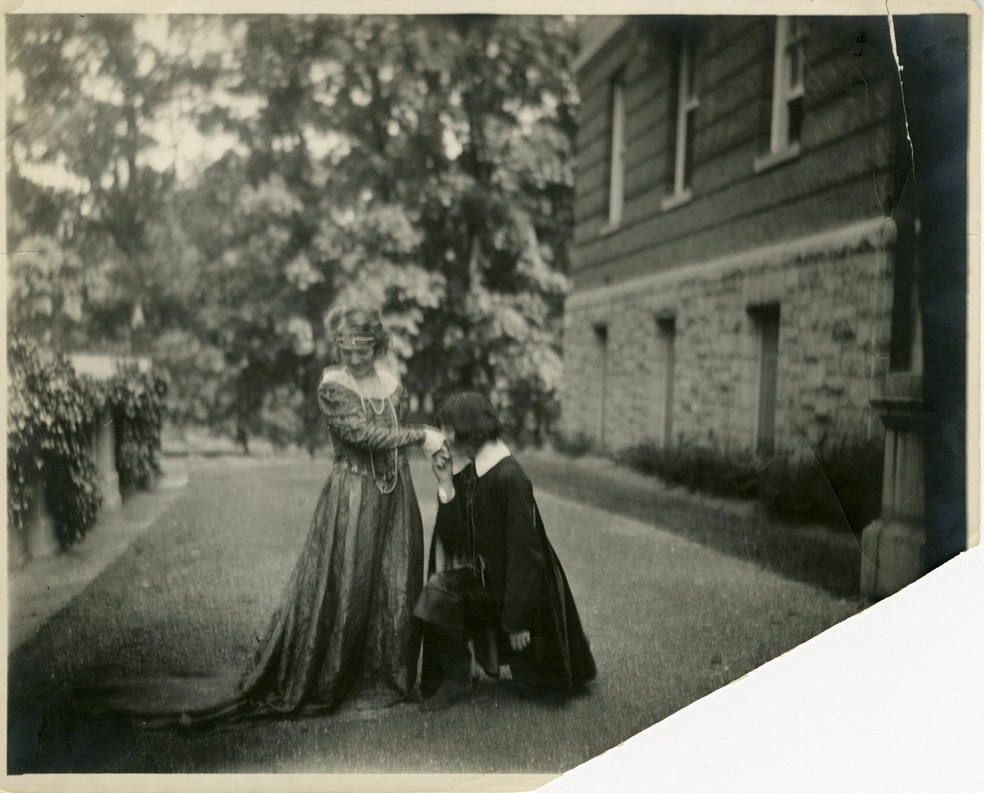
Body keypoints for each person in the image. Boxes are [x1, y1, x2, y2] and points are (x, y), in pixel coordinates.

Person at [162, 304, 444, 728]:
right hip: (353, 495)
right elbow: (363, 434)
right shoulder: (333, 385)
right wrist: (423, 435)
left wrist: (421, 444)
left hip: (396, 496)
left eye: (362, 349)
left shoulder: (392, 384)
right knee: (350, 583)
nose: (353, 357)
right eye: (345, 348)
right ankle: (335, 678)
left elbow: (390, 437)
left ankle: (388, 677)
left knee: (395, 583)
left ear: (378, 344)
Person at [415, 392, 596, 710]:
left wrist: (518, 621)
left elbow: (525, 557)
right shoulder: (475, 470)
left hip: (525, 594)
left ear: (469, 429)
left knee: (538, 686)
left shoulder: (509, 477)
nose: (445, 438)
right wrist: (445, 483)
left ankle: (525, 660)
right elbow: (457, 538)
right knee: (436, 592)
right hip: (491, 581)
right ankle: (456, 681)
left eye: (449, 429)